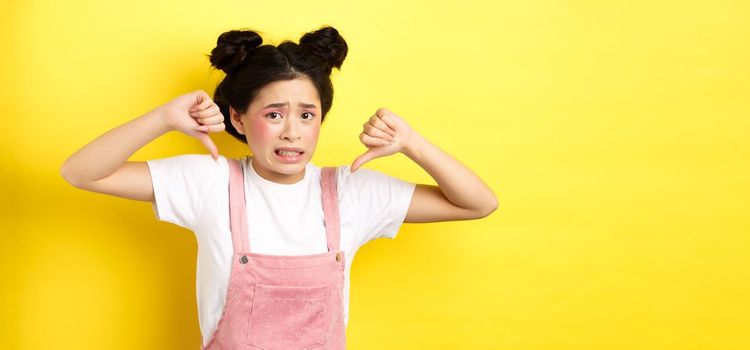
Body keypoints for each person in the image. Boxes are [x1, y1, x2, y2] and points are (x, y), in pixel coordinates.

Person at [60, 25, 498, 350]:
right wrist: (162, 119)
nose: (292, 132)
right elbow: (82, 173)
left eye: (307, 115)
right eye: (273, 114)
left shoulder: (352, 192)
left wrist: (412, 144)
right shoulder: (209, 180)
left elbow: (478, 203)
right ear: (237, 118)